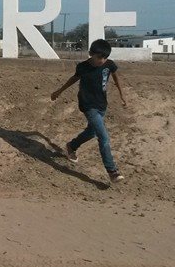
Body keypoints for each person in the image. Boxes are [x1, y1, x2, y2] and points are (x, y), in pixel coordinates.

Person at [50, 39, 128, 183]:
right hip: (88, 106)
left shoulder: (109, 65)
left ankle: (71, 146)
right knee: (103, 137)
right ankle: (112, 171)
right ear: (91, 54)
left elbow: (116, 77)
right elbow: (73, 79)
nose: (102, 60)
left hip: (102, 105)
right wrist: (58, 91)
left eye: (104, 57)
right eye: (99, 57)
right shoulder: (83, 67)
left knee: (91, 132)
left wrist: (122, 94)